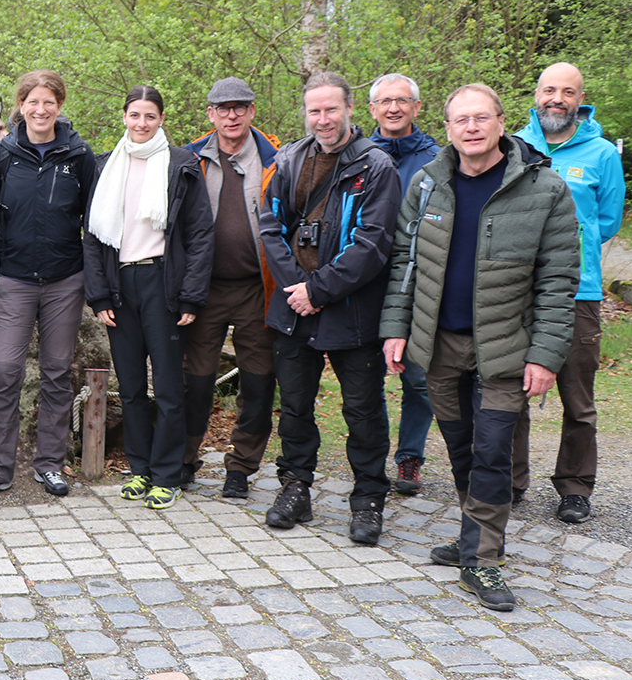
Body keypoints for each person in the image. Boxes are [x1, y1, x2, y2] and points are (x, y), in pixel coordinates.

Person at [382, 83, 579, 611]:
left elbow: (559, 280)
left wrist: (545, 354)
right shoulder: (427, 185)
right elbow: (405, 265)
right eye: (460, 120)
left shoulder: (544, 190)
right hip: (440, 345)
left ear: (500, 122)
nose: (471, 127)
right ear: (447, 128)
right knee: (463, 446)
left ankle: (483, 561)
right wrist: (395, 329)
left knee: (493, 449)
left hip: (507, 347)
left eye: (480, 118)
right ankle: (476, 536)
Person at [259, 72, 400, 545]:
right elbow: (270, 227)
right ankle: (295, 488)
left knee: (362, 410)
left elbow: (373, 243)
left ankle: (367, 501)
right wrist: (298, 287)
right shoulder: (289, 159)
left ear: (349, 110)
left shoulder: (376, 167)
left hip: (352, 311)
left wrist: (319, 290)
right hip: (293, 306)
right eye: (314, 111)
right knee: (295, 406)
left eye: (331, 109)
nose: (322, 119)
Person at [84, 86, 214, 509]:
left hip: (163, 284)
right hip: (120, 288)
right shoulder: (105, 167)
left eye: (150, 116)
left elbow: (199, 235)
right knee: (133, 387)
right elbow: (92, 239)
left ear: (161, 120)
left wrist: (192, 297)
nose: (141, 123)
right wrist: (98, 293)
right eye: (134, 115)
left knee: (170, 389)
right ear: (124, 117)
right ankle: (140, 469)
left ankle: (167, 474)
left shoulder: (181, 165)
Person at [0, 70, 98, 502]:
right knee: (4, 370)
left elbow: (94, 221)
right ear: (20, 105)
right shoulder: (2, 155)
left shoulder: (79, 155)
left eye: (49, 102)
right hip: (14, 281)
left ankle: (49, 464)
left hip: (65, 280)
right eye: (32, 102)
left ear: (59, 106)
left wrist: (87, 274)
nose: (40, 110)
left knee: (57, 372)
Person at [513, 62, 625, 523]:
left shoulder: (601, 154)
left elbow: (608, 222)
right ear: (536, 94)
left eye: (568, 92)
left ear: (581, 99)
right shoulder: (514, 147)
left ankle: (575, 487)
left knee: (576, 396)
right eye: (549, 90)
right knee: (509, 390)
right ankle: (509, 478)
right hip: (518, 289)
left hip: (578, 292)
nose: (557, 98)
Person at [183, 77, 281, 499]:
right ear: (210, 114)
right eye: (223, 108)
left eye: (240, 107)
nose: (232, 115)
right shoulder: (190, 159)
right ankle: (184, 460)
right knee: (196, 381)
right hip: (203, 290)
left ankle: (240, 468)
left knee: (258, 383)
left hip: (259, 289)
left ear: (252, 111)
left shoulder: (276, 159)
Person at [367, 73, 442, 496]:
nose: (393, 108)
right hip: (365, 282)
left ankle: (410, 456)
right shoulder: (356, 154)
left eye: (402, 100)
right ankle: (373, 452)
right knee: (367, 376)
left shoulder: (437, 159)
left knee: (417, 378)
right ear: (373, 109)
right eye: (385, 101)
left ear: (416, 107)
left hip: (418, 284)